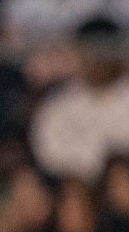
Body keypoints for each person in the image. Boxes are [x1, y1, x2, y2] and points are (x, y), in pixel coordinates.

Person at [30, 18, 129, 185]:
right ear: (78, 53)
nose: (99, 60)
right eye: (91, 51)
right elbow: (48, 154)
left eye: (105, 50)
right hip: (72, 191)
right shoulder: (57, 106)